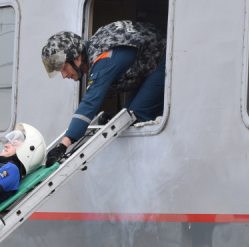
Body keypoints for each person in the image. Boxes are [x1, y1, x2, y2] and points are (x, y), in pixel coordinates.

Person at [40, 20, 165, 166]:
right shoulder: (96, 45)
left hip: (163, 60)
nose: (64, 75)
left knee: (136, 116)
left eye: (63, 68)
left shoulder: (103, 60)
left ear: (77, 58)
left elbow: (90, 102)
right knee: (127, 115)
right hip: (149, 66)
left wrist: (63, 145)